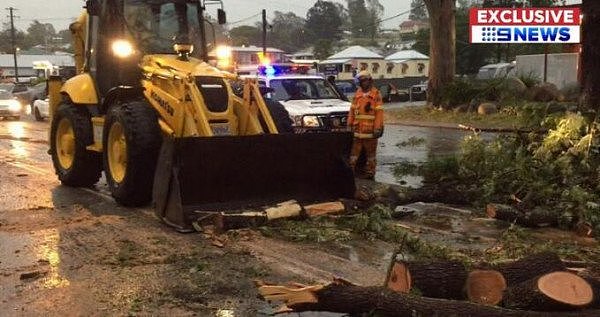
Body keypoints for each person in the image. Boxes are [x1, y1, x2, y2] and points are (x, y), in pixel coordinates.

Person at [347, 71, 384, 180]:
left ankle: (370, 172)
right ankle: (350, 172)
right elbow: (352, 110)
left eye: (363, 81)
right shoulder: (357, 94)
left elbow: (379, 113)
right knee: (354, 154)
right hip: (357, 131)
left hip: (370, 132)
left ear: (369, 81)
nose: (362, 84)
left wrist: (377, 128)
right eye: (361, 82)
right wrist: (349, 124)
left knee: (371, 155)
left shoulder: (376, 95)